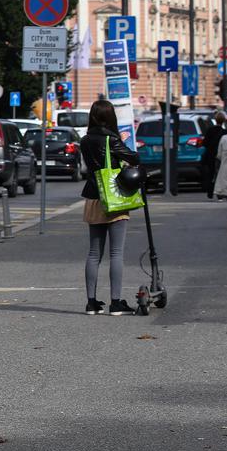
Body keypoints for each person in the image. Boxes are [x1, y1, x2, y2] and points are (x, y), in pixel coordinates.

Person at [79, 99, 140, 316]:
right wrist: (122, 141)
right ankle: (115, 302)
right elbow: (134, 158)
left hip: (93, 197)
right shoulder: (111, 139)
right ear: (111, 117)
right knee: (116, 253)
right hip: (114, 198)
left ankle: (91, 302)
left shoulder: (85, 140)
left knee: (94, 253)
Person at [200, 110, 225, 199]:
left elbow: (205, 143)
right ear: (223, 121)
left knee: (211, 173)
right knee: (220, 174)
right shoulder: (224, 132)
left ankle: (210, 193)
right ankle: (220, 194)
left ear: (215, 120)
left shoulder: (210, 130)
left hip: (210, 155)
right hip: (221, 156)